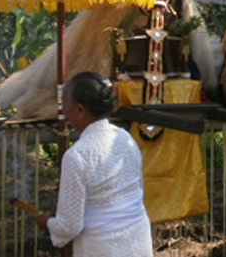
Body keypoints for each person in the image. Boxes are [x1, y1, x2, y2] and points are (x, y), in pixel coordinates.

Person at [30, 72, 152, 257]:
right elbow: (136, 192)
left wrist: (47, 223)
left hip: (103, 247)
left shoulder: (77, 156)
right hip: (138, 238)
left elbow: (69, 226)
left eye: (64, 105)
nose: (63, 112)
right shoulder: (124, 137)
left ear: (80, 110)